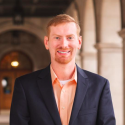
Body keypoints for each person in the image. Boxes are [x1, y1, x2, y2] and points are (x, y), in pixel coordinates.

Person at [10, 14, 116, 125]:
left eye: (70, 37)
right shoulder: (24, 85)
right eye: (57, 38)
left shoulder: (100, 85)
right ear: (47, 42)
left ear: (79, 42)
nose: (64, 44)